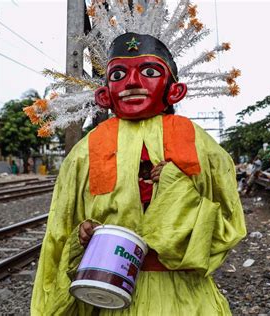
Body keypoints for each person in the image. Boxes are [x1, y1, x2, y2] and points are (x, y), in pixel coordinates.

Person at [31, 30, 246, 316]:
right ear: (105, 94)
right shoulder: (87, 149)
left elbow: (229, 226)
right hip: (108, 296)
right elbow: (59, 234)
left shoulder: (197, 142)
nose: (132, 83)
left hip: (183, 299)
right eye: (119, 75)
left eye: (149, 71)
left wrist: (177, 190)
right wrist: (81, 237)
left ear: (174, 89)